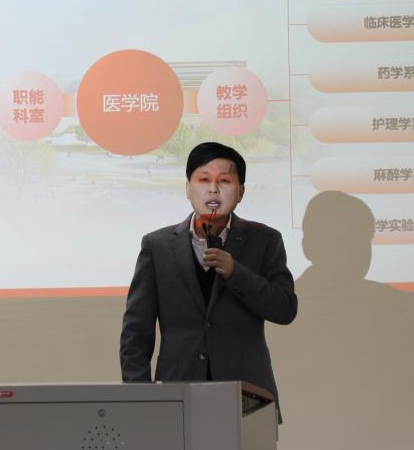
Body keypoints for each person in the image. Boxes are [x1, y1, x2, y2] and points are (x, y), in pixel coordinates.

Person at [119, 141, 297, 409]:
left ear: (241, 192)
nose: (213, 189)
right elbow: (136, 333)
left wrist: (236, 272)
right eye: (203, 179)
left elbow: (285, 309)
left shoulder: (265, 240)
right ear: (188, 188)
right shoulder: (157, 246)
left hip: (247, 397)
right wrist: (139, 397)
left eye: (224, 180)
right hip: (177, 396)